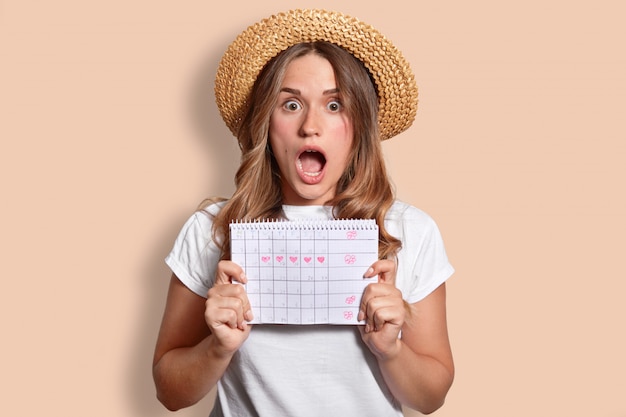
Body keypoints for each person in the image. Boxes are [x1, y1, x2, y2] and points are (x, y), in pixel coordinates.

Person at [153, 9, 455, 417]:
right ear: (266, 122)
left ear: (360, 124)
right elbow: (170, 392)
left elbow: (431, 398)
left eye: (335, 105)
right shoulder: (211, 231)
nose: (311, 126)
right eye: (291, 104)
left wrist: (391, 349)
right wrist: (216, 347)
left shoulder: (410, 231)